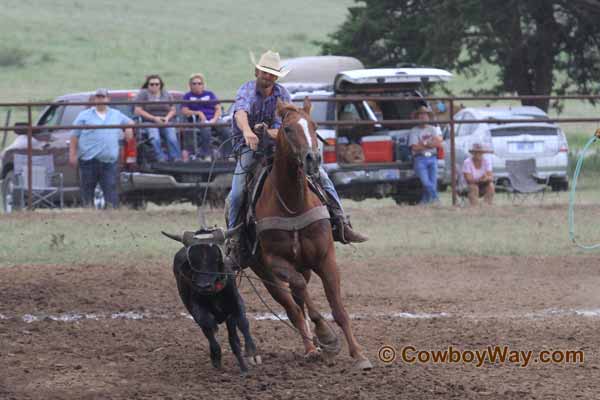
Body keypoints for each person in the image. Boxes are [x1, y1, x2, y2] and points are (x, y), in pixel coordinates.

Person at [227, 50, 367, 243]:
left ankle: (341, 223)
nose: (268, 76)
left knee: (322, 177)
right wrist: (248, 131)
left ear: (276, 76)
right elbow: (240, 113)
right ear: (256, 72)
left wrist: (267, 132)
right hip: (249, 147)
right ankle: (234, 237)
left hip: (279, 146)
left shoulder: (282, 94)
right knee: (236, 193)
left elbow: (287, 126)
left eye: (272, 73)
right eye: (264, 72)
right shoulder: (247, 90)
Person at [69, 88, 133, 208]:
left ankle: (112, 215)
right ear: (94, 99)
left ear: (108, 99)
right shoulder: (84, 115)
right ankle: (88, 214)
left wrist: (128, 128)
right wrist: (72, 154)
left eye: (103, 97)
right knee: (87, 190)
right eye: (98, 97)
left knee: (110, 189)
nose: (100, 99)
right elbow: (74, 136)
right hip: (88, 159)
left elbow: (130, 122)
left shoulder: (116, 114)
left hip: (109, 160)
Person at [181, 73, 232, 161]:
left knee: (225, 128)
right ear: (190, 85)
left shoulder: (210, 94)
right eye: (194, 83)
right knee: (205, 128)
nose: (197, 85)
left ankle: (228, 155)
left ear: (203, 85)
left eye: (199, 83)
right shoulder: (187, 96)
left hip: (214, 118)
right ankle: (206, 155)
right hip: (198, 120)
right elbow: (184, 110)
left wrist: (214, 119)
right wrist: (198, 113)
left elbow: (218, 108)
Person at [133, 75, 181, 162]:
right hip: (149, 121)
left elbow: (173, 109)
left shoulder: (166, 94)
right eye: (152, 84)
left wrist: (167, 118)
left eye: (157, 84)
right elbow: (138, 110)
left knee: (172, 136)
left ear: (160, 85)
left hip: (165, 120)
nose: (154, 86)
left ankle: (176, 158)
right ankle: (160, 158)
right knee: (155, 137)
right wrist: (154, 118)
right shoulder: (143, 94)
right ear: (148, 85)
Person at [408, 105, 443, 205]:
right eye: (421, 115)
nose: (423, 117)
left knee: (433, 182)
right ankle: (436, 199)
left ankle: (423, 203)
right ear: (417, 117)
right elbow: (414, 147)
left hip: (432, 157)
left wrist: (423, 144)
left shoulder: (433, 129)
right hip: (420, 159)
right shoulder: (414, 131)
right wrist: (428, 144)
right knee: (426, 182)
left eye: (425, 115)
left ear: (428, 117)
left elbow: (438, 143)